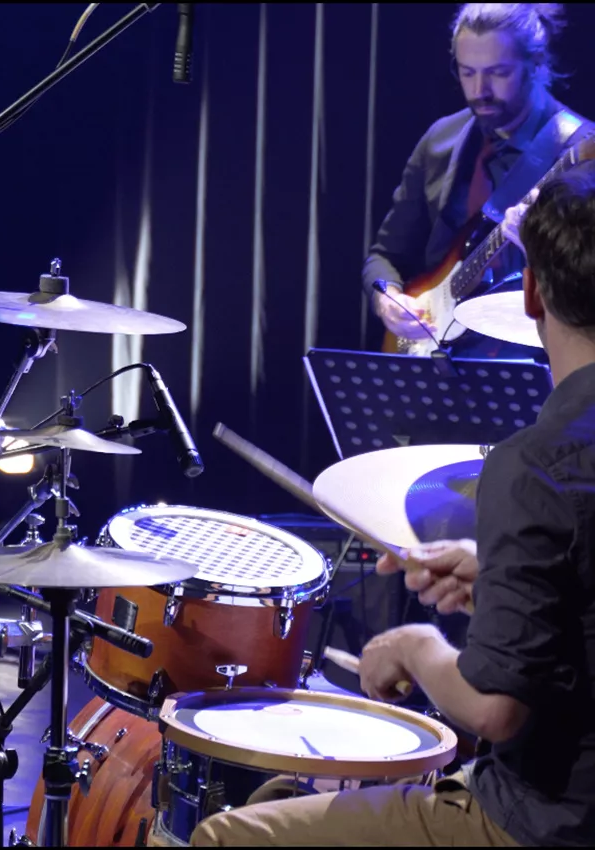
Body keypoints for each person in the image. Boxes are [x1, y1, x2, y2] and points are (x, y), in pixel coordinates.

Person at [192, 159, 595, 846]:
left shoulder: (534, 465)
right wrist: (495, 574)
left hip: (542, 823)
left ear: (531, 291)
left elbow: (494, 712)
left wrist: (415, 646)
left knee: (227, 836)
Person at [365, 3, 585, 360]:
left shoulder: (577, 151)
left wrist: (536, 248)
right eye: (468, 72)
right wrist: (387, 299)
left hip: (532, 365)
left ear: (536, 64)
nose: (479, 90)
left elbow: (584, 290)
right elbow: (385, 256)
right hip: (437, 359)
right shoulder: (440, 140)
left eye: (498, 73)